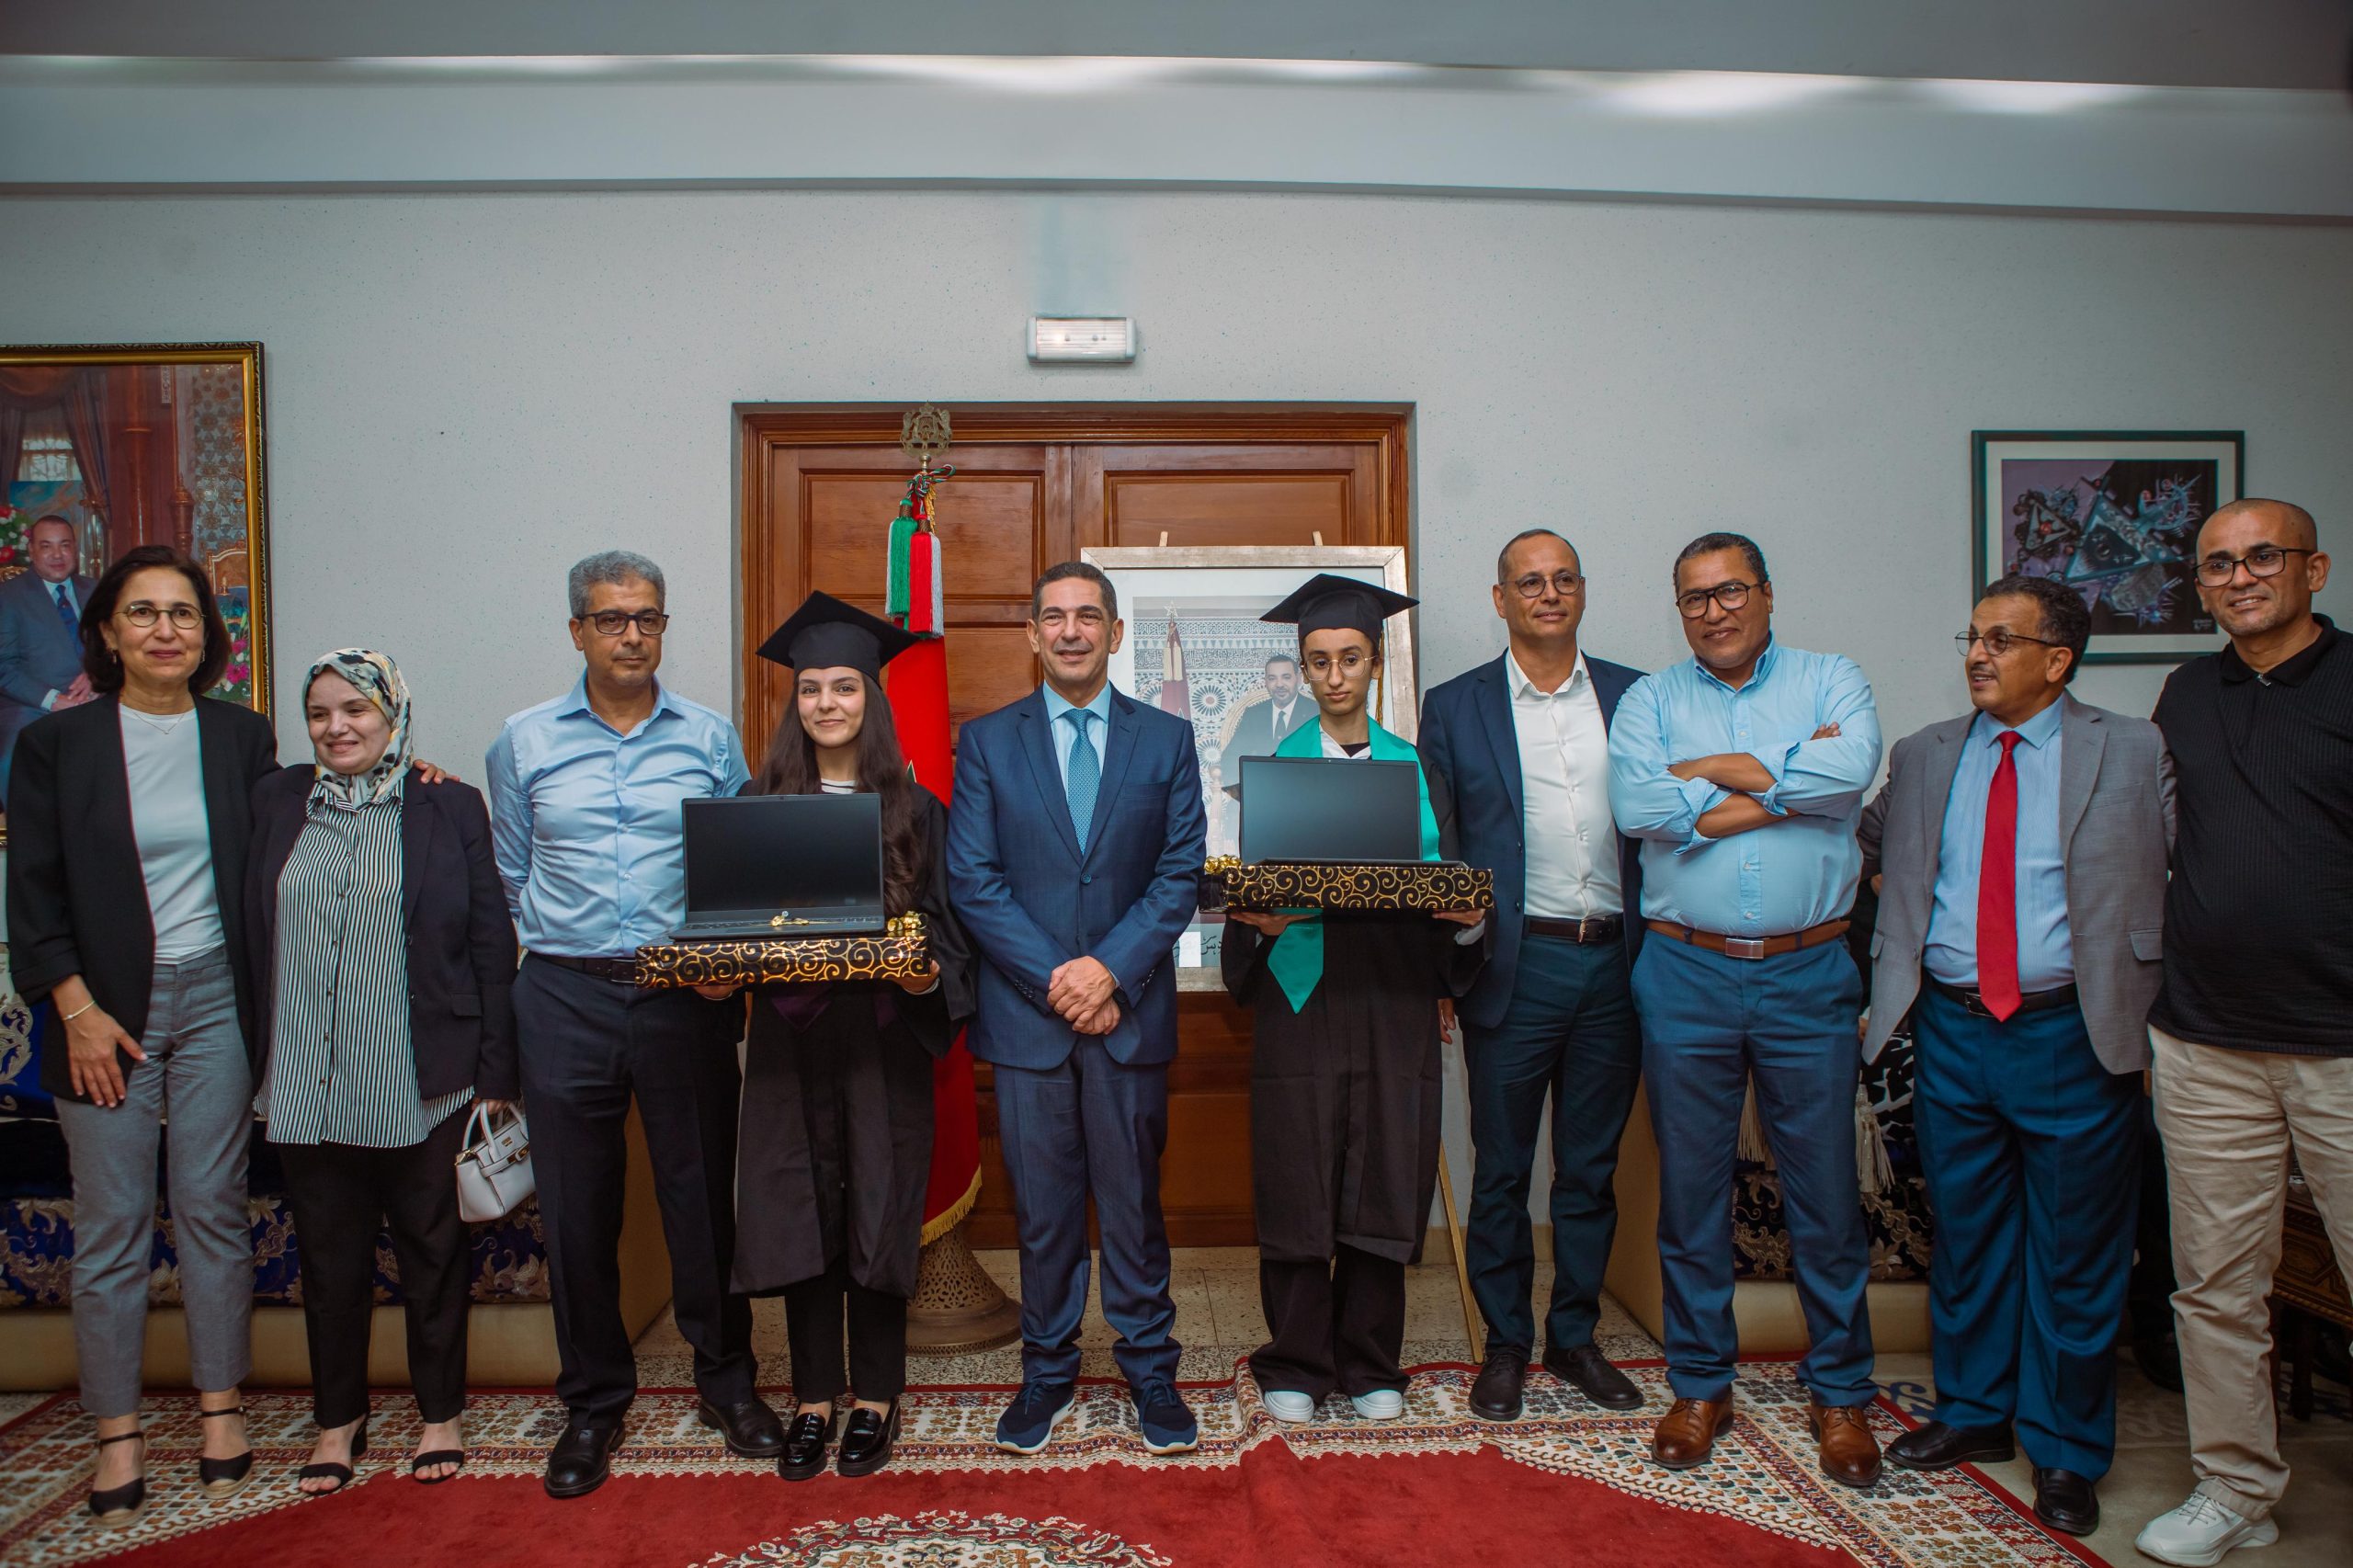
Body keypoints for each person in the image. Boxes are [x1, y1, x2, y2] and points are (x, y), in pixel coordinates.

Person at [1859, 575, 2171, 1537]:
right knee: (1969, 1236)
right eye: (1972, 637)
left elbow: (2189, 867)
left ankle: (2066, 1449)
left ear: (2058, 659)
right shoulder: (1923, 754)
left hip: (2072, 1030)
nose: (1977, 655)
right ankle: (1974, 1412)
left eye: (2001, 640)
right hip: (1952, 1029)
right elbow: (1858, 843)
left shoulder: (2133, 748)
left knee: (2074, 1253)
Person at [484, 550, 781, 1498]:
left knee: (702, 1200)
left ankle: (726, 1382)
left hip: (679, 995)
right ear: (577, 630)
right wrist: (559, 951)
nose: (631, 635)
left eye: (647, 618)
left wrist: (720, 964)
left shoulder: (708, 737)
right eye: (611, 619)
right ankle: (593, 1402)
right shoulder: (523, 741)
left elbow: (737, 868)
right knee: (578, 1209)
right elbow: (510, 874)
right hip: (563, 995)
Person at [1606, 531, 1885, 1487]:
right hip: (1685, 970)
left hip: (1809, 972)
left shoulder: (1830, 677)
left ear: (1766, 593)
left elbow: (1848, 775)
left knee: (1825, 1195)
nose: (1713, 610)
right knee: (1691, 1193)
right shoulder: (1649, 700)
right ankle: (1700, 1385)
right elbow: (1642, 810)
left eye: (1730, 591)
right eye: (1694, 597)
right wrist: (1787, 784)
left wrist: (1716, 768)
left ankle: (1840, 1393)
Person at [4, 545, 273, 1521]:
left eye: (184, 612)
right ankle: (116, 1432)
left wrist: (417, 782)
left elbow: (294, 836)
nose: (167, 629)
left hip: (217, 1004)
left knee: (212, 1208)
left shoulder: (241, 737)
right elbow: (32, 897)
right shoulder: (56, 745)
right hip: (103, 1013)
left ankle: (220, 1413)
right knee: (113, 1224)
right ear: (108, 632)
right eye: (144, 611)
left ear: (207, 634)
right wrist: (76, 1012)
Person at [2134, 498, 2353, 1568]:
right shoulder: (2186, 692)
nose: (2239, 577)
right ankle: (2234, 1487)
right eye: (2217, 563)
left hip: (2342, 1043)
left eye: (2262, 556)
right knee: (2215, 1286)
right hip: (2207, 1040)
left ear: (2314, 568)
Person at [946, 561, 1206, 1457]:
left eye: (1087, 615)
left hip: (1130, 1015)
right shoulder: (987, 743)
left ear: (1114, 632)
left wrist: (1111, 973)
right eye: (1053, 617)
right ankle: (1047, 1373)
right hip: (1030, 1023)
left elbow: (1179, 872)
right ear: (1031, 633)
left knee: (1134, 1207)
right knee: (1045, 1213)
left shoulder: (1166, 740)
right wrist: (1063, 980)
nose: (1070, 631)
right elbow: (973, 881)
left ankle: (1151, 1372)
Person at [247, 651, 518, 1493]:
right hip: (306, 1076)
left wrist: (496, 1071)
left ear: (393, 716)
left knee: (432, 1253)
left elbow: (490, 943)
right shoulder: (276, 801)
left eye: (357, 710)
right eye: (320, 713)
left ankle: (441, 1415)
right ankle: (339, 1422)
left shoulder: (447, 805)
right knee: (328, 1261)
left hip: (420, 1077)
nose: (338, 727)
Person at [1222, 574, 1484, 1426]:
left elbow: (1450, 893)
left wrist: (1464, 931)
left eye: (1350, 658)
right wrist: (1256, 923)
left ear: (1375, 663)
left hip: (1393, 992)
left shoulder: (1418, 769)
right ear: (1302, 668)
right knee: (1298, 1171)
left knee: (1385, 1168)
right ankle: (1297, 1359)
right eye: (1319, 660)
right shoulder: (1274, 773)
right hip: (1300, 993)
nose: (1335, 675)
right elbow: (1248, 899)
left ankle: (1372, 1360)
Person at [731, 594, 975, 1483]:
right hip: (789, 1044)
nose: (826, 703)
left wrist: (923, 978)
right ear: (793, 701)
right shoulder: (756, 806)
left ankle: (875, 1394)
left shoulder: (915, 809)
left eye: (843, 687)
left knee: (878, 1209)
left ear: (871, 697)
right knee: (801, 1211)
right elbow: (729, 922)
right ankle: (812, 1398)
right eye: (810, 689)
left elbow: (949, 934)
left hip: (881, 1042)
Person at [1417, 528, 1648, 1421]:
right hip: (1513, 965)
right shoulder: (1454, 707)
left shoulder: (1635, 695)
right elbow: (1440, 848)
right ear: (1500, 598)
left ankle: (1575, 1337)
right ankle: (1506, 1344)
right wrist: (1444, 973)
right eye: (1529, 582)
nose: (1547, 594)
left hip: (1616, 964)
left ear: (1581, 591)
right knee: (1504, 1170)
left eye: (1562, 579)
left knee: (1588, 1169)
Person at [0, 514, 98, 800]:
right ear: (31, 551)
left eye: (65, 545)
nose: (57, 555)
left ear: (75, 550)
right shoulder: (8, 596)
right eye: (47, 546)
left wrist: (97, 673)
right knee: (15, 756)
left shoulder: (96, 590)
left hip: (98, 696)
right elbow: (3, 666)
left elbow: (116, 647)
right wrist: (53, 700)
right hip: (32, 704)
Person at [1221, 652, 1305, 854]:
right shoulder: (1253, 714)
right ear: (1265, 682)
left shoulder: (1316, 712)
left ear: (1299, 679)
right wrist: (1249, 791)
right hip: (1256, 804)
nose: (1279, 684)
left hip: (1304, 806)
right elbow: (1230, 758)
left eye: (1286, 677)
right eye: (1272, 678)